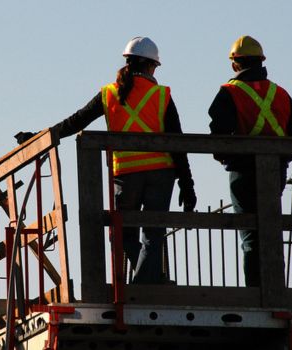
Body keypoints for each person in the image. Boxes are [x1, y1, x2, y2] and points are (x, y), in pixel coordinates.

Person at [16, 36, 196, 284]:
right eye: (155, 66)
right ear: (149, 65)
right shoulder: (162, 95)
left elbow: (75, 122)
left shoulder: (109, 93)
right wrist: (188, 185)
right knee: (154, 233)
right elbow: (178, 143)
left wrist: (39, 136)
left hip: (126, 175)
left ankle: (147, 280)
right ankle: (147, 282)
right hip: (161, 173)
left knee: (122, 233)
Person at [208, 35, 292, 286]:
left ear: (234, 65)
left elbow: (218, 141)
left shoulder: (228, 93)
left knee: (251, 235)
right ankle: (275, 290)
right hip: (276, 173)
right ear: (261, 62)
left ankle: (255, 292)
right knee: (271, 232)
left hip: (243, 174)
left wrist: (232, 160)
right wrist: (279, 159)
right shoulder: (281, 93)